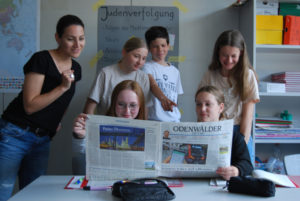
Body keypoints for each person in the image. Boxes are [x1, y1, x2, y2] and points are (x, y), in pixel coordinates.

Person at [0, 14, 85, 201]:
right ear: (58, 38)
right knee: (3, 191)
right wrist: (62, 86)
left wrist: (57, 121)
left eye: (81, 38)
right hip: (15, 133)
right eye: (70, 39)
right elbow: (30, 105)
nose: (77, 44)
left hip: (42, 139)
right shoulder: (41, 59)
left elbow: (64, 101)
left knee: (33, 194)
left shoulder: (76, 69)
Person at [198, 30, 259, 163]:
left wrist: (240, 145)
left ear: (241, 53)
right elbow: (202, 110)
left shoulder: (247, 75)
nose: (229, 60)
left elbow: (247, 119)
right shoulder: (210, 75)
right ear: (218, 53)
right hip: (214, 131)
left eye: (233, 56)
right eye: (224, 55)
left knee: (241, 176)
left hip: (240, 131)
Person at [72, 80, 146, 174]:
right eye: (121, 104)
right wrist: (80, 137)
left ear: (140, 106)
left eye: (133, 105)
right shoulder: (99, 127)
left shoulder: (147, 131)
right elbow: (80, 155)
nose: (127, 111)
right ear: (114, 103)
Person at [195, 85, 253, 180]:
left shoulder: (234, 135)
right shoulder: (189, 133)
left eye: (208, 104)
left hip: (222, 187)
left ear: (220, 108)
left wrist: (236, 170)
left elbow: (247, 165)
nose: (202, 109)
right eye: (198, 104)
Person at [143, 26, 183, 122]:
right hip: (154, 121)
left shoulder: (175, 71)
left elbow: (176, 98)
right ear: (149, 48)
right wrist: (163, 99)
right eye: (155, 46)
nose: (160, 49)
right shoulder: (146, 67)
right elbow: (153, 85)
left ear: (168, 45)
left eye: (163, 45)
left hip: (174, 121)